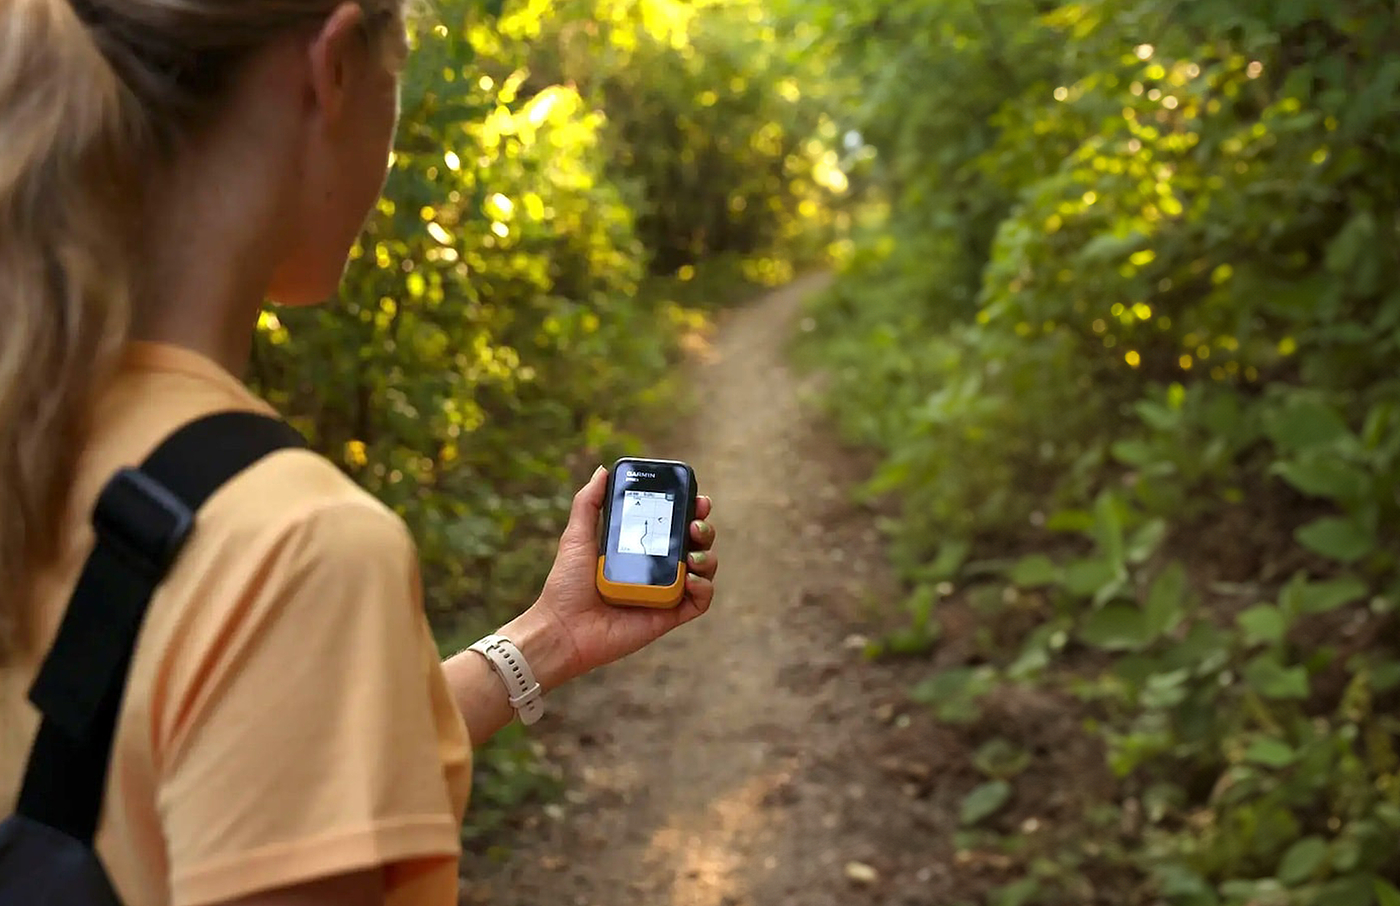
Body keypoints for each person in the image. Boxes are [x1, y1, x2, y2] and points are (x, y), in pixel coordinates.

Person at [0, 0, 720, 904]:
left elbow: (254, 769)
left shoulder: (40, 427)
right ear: (333, 68)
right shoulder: (295, 548)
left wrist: (548, 639)